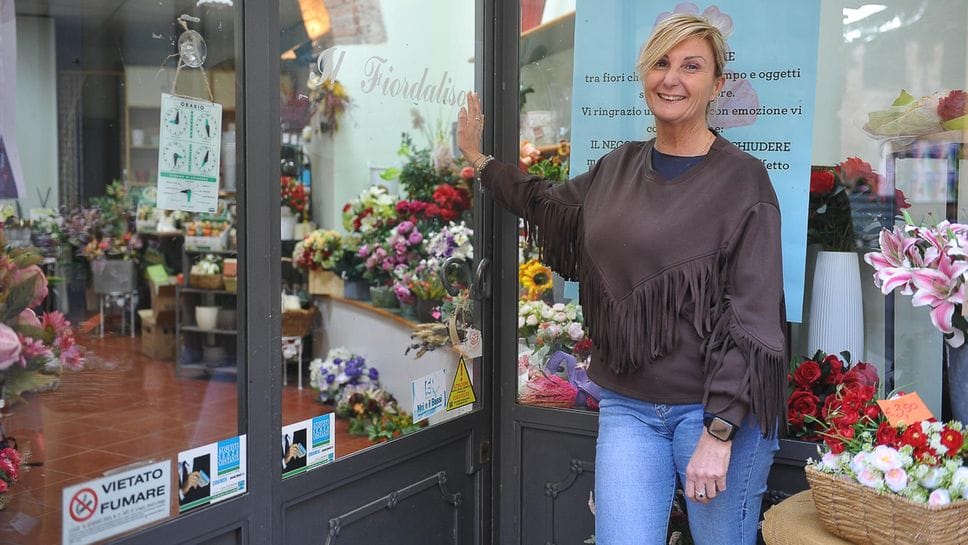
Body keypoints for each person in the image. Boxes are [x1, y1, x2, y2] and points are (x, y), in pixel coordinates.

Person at [457, 13, 786, 545]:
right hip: (627, 407)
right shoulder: (617, 168)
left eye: (691, 66)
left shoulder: (743, 180)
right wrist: (480, 159)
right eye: (660, 62)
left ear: (717, 85)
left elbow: (751, 313)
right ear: (644, 76)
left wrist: (720, 430)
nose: (671, 78)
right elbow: (546, 203)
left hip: (713, 414)